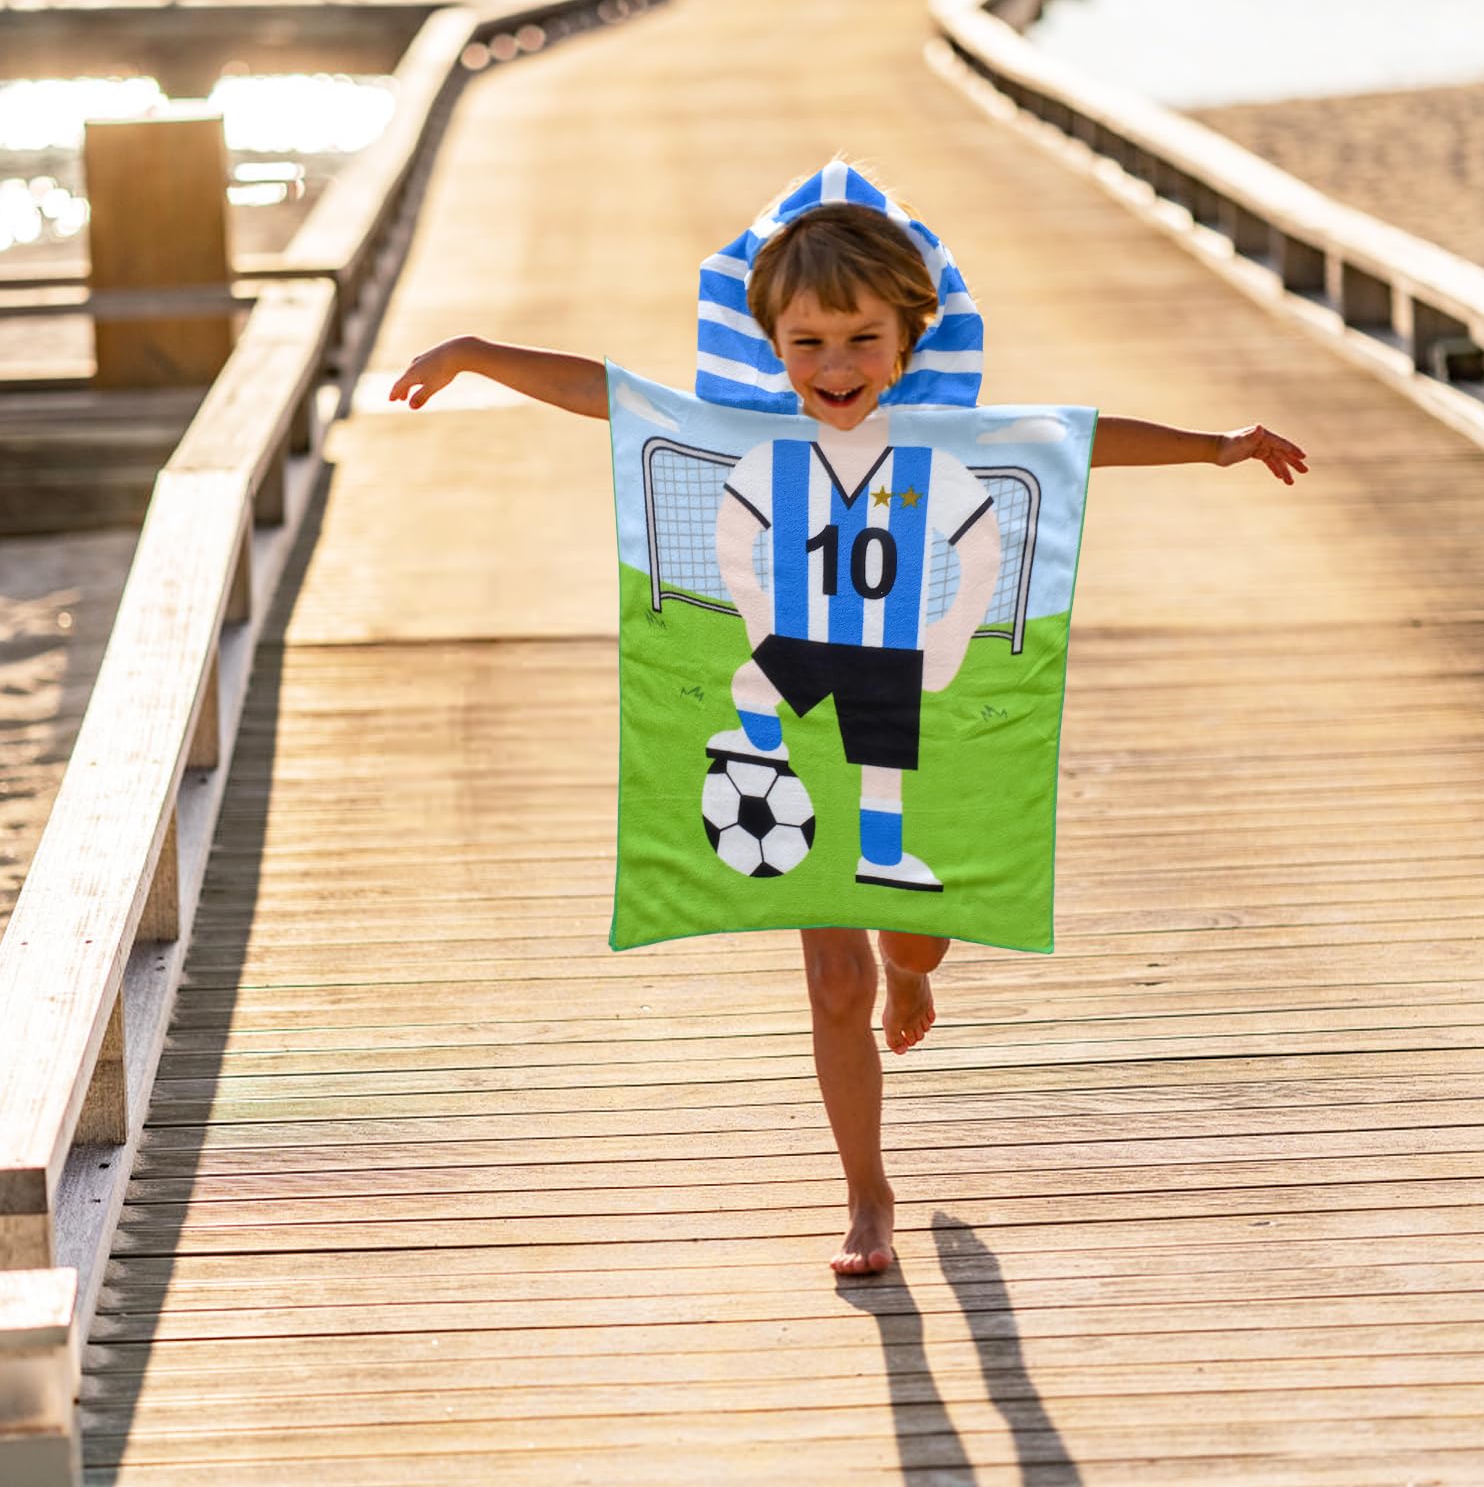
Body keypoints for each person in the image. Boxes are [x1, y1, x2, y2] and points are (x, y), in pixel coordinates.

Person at [391, 182, 1308, 1278]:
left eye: (861, 338)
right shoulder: (741, 430)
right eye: (807, 341)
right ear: (770, 341)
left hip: (899, 668)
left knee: (908, 924)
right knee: (832, 979)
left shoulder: (945, 436)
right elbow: (605, 393)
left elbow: (1081, 441)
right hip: (796, 652)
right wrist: (475, 350)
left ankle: (914, 966)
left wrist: (1218, 446)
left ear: (908, 336)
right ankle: (866, 1191)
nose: (834, 364)